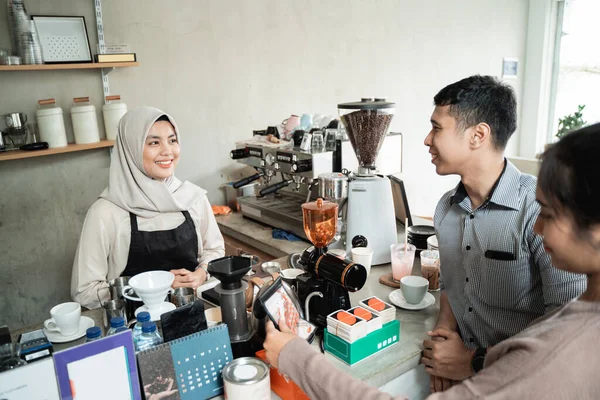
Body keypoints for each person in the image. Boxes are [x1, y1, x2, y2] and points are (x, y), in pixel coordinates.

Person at [263, 122, 600, 399]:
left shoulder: (565, 348)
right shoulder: (448, 208)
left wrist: (297, 357)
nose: (539, 228)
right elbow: (455, 282)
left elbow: (535, 354)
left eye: (551, 215)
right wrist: (454, 343)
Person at [421, 75, 585, 391]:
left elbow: (567, 319)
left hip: (526, 381)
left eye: (437, 128)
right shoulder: (446, 208)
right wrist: (443, 336)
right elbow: (451, 284)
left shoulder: (540, 210)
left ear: (478, 135)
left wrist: (471, 360)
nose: (427, 140)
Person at [71, 106, 225, 309]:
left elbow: (214, 249)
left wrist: (202, 272)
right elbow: (84, 292)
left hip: (194, 317)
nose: (167, 151)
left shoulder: (192, 198)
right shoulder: (105, 213)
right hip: (137, 329)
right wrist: (156, 286)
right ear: (131, 149)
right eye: (154, 142)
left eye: (172, 140)